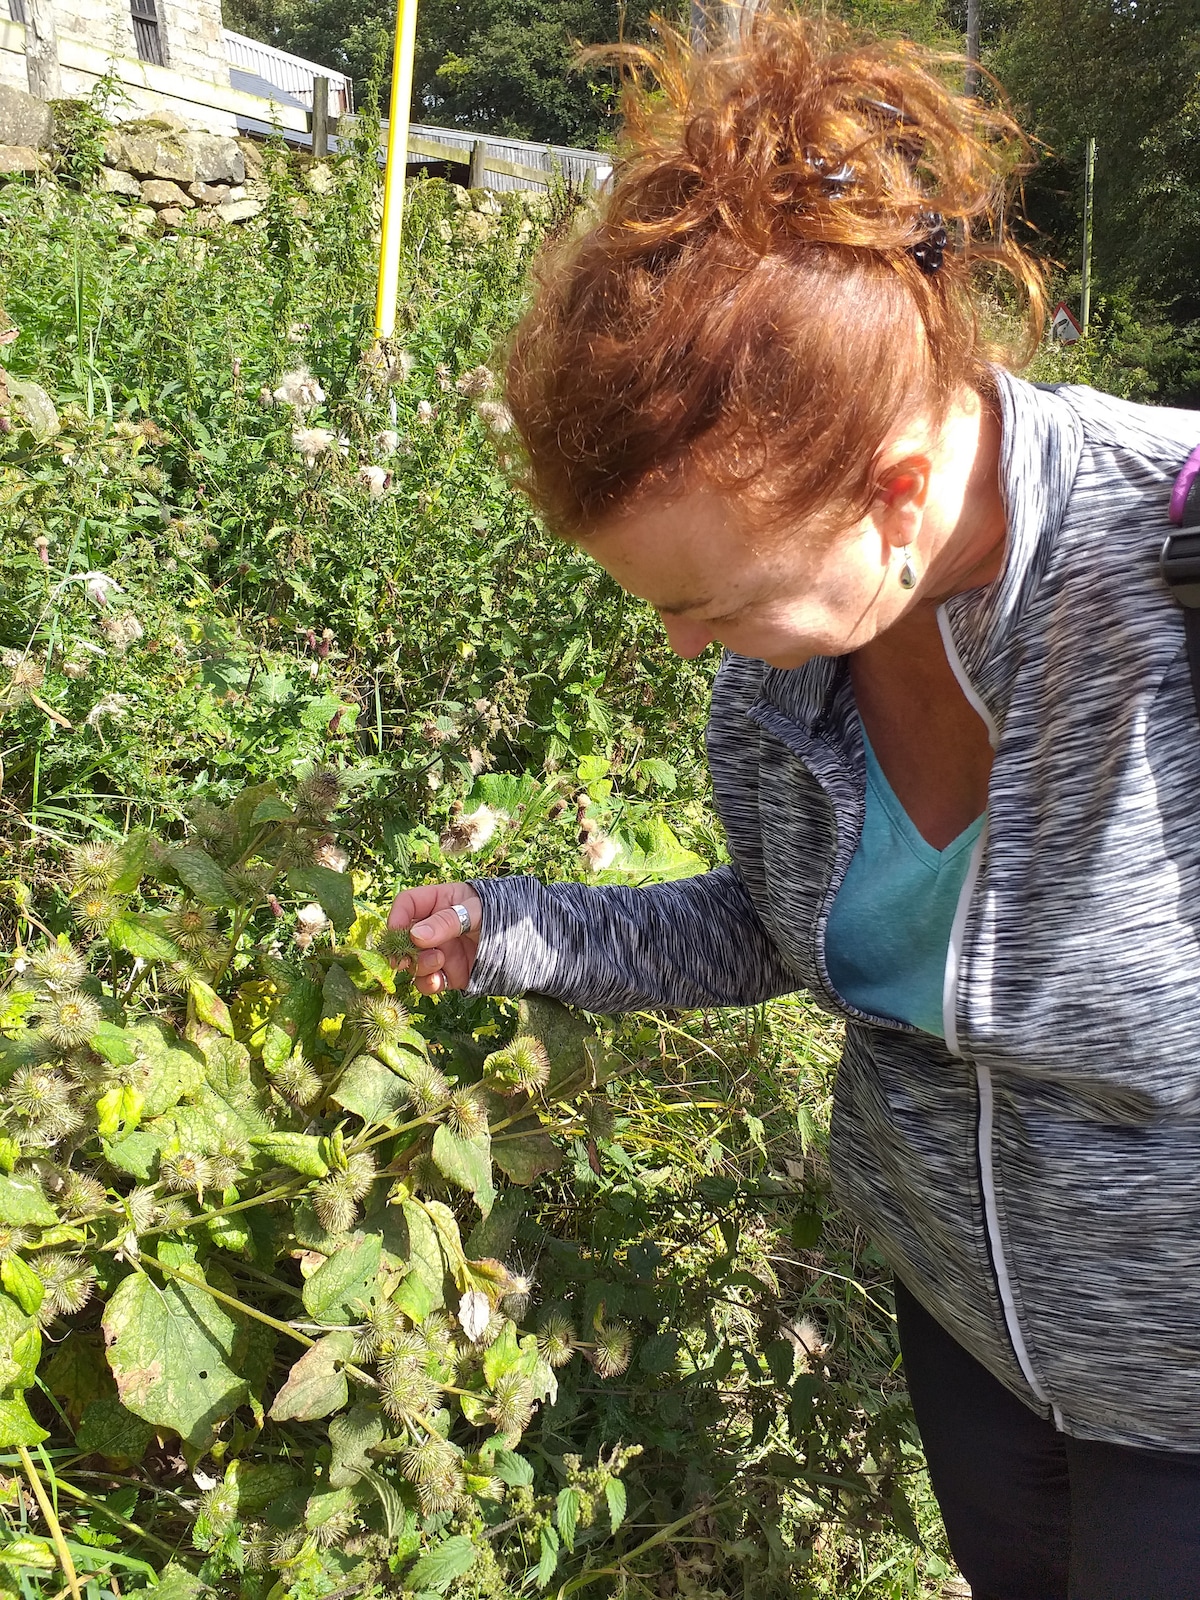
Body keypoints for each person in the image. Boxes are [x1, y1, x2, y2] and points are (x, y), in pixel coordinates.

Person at [388, 11, 1200, 1596]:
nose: (691, 648)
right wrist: (516, 929)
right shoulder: (788, 663)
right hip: (972, 1344)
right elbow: (782, 932)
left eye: (714, 599)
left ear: (894, 488)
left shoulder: (1168, 563)